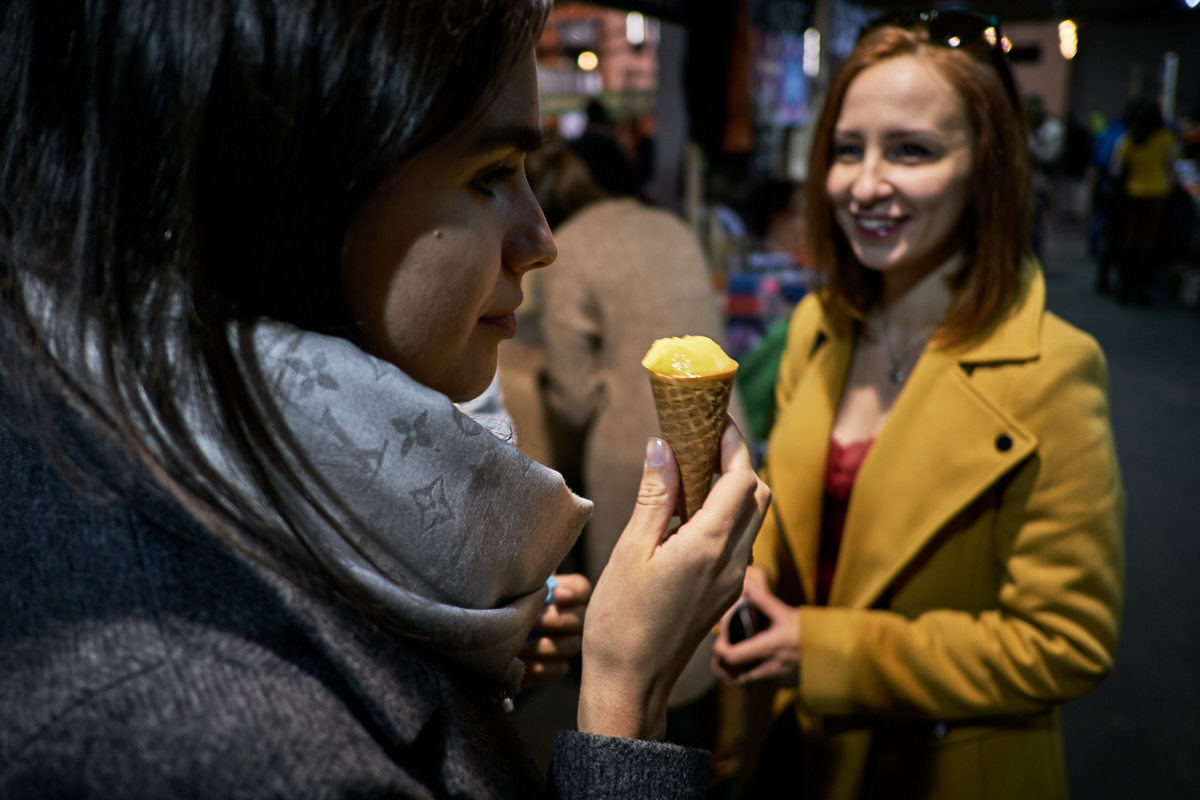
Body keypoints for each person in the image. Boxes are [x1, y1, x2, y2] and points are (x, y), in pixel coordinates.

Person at [0, 2, 771, 798]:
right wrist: (626, 695)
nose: (542, 240)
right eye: (491, 174)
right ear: (289, 193)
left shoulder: (154, 451)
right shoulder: (211, 738)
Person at [711, 12, 1124, 800]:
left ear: (986, 167)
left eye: (912, 150)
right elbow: (797, 516)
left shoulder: (1056, 369)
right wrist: (750, 577)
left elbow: (1065, 642)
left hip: (939, 767)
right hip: (794, 753)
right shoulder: (818, 325)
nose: (865, 185)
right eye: (846, 149)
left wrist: (827, 652)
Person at [525, 140, 746, 720]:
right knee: (712, 596)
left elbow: (574, 399)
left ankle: (640, 740)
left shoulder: (565, 251)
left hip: (636, 459)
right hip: (729, 434)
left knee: (641, 632)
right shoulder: (668, 226)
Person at [1110, 97, 1177, 305]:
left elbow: (1115, 169)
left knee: (1128, 241)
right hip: (1157, 195)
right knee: (1148, 244)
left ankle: (1124, 289)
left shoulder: (1130, 139)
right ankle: (1141, 291)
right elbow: (1171, 168)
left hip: (1133, 193)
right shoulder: (1165, 138)